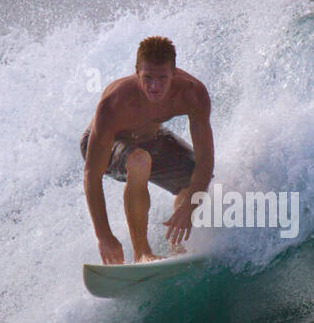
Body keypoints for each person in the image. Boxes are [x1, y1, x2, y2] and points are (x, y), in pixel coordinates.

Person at [80, 36, 214, 264]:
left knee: (196, 178)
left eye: (163, 78)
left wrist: (190, 204)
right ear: (136, 72)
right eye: (147, 78)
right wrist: (104, 236)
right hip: (107, 145)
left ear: (174, 72)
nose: (154, 86)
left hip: (151, 139)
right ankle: (142, 252)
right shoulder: (114, 103)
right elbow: (91, 176)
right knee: (140, 160)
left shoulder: (192, 93)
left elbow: (205, 159)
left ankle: (177, 247)